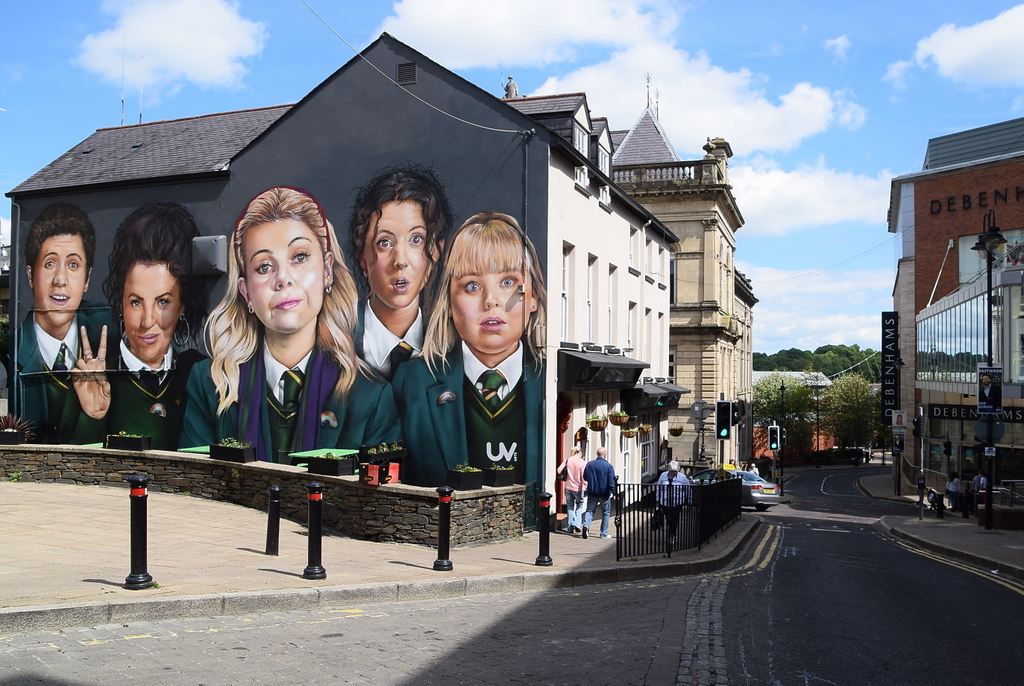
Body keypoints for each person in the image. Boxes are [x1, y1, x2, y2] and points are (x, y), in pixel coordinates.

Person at [181, 187, 400, 462]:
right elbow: (194, 492)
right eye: (264, 266)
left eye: (299, 257)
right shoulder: (209, 383)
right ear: (246, 292)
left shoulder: (372, 397)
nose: (283, 279)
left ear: (327, 271)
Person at [392, 211, 546, 487]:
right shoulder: (412, 381)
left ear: (533, 297)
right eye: (472, 286)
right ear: (449, 303)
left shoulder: (550, 379)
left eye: (508, 282)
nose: (491, 301)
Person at [69, 203, 208, 449]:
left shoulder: (198, 373)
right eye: (135, 302)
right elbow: (71, 476)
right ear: (120, 303)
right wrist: (93, 417)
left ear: (182, 306)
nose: (147, 321)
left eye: (163, 302)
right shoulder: (93, 377)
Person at [16, 202, 111, 444]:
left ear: (87, 278)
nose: (60, 279)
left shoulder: (115, 337)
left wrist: (95, 415)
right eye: (49, 263)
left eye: (73, 265)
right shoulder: (14, 354)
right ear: (30, 275)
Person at [348, 165, 454, 381]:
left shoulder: (454, 347)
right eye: (384, 243)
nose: (401, 261)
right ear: (362, 257)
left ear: (436, 251)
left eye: (416, 240)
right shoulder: (335, 341)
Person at [582, 447, 616, 539]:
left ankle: (586, 525)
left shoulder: (590, 464)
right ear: (605, 455)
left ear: (597, 454)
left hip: (592, 492)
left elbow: (585, 477)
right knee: (605, 512)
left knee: (589, 511)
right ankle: (603, 534)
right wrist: (614, 493)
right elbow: (611, 481)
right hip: (604, 493)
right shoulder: (608, 466)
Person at [656, 460, 690, 543]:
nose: (673, 473)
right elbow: (658, 488)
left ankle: (673, 535)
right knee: (668, 519)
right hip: (665, 502)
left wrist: (689, 501)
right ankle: (672, 534)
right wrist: (657, 500)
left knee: (674, 519)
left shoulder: (683, 478)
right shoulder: (663, 476)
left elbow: (688, 489)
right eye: (672, 472)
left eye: (675, 472)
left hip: (677, 503)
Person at [557, 446, 587, 533]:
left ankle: (570, 528)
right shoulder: (582, 462)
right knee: (579, 505)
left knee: (570, 507)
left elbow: (559, 470)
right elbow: (583, 476)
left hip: (568, 487)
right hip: (578, 488)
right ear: (579, 452)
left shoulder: (567, 460)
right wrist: (586, 486)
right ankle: (577, 524)